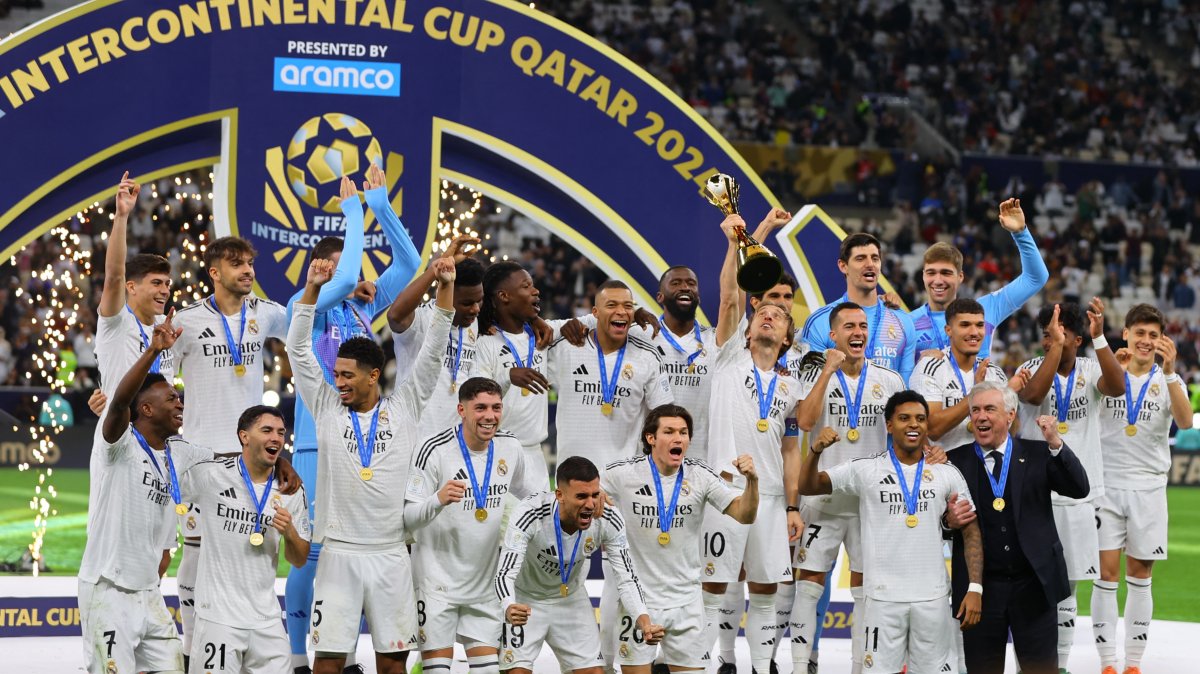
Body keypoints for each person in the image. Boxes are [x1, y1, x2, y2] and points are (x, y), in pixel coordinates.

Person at [283, 168, 422, 673]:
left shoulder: (363, 307)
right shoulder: (308, 305)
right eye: (342, 262)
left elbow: (409, 263)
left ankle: (342, 655)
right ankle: (300, 658)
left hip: (366, 442)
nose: (351, 275)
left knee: (364, 548)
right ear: (320, 267)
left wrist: (381, 204)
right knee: (313, 550)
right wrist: (353, 213)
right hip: (316, 440)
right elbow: (341, 279)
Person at [286, 254, 453, 674]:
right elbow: (297, 349)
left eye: (347, 375)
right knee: (327, 664)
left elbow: (433, 350)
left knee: (392, 666)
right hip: (338, 554)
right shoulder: (325, 406)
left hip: (391, 553)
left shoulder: (405, 408)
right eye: (336, 373)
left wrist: (444, 284)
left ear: (373, 375)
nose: (338, 381)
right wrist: (312, 289)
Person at [797, 391, 984, 674]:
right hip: (882, 600)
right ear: (889, 425)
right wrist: (815, 452)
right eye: (904, 418)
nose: (914, 425)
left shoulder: (946, 472)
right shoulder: (866, 469)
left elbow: (970, 528)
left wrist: (975, 588)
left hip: (931, 598)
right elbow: (809, 486)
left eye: (921, 419)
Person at [170, 235, 289, 664]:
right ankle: (190, 648)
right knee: (196, 548)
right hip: (201, 456)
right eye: (237, 264)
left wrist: (343, 288)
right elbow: (162, 376)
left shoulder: (264, 313)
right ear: (214, 273)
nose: (248, 271)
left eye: (250, 264)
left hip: (252, 457)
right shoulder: (186, 320)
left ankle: (242, 632)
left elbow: (304, 319)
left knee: (245, 550)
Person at [702, 212, 804, 674]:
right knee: (715, 585)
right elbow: (728, 297)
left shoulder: (790, 385)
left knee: (766, 587)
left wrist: (791, 505)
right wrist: (734, 243)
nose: (769, 315)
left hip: (770, 496)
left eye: (779, 314)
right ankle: (711, 664)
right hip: (722, 490)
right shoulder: (727, 357)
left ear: (786, 336)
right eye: (763, 310)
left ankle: (762, 667)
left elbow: (789, 446)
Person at [78, 312, 202, 674]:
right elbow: (118, 405)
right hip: (107, 588)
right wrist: (152, 351)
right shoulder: (119, 443)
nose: (180, 403)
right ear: (146, 409)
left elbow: (232, 457)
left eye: (179, 397)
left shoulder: (179, 450)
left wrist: (278, 463)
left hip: (149, 594)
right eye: (171, 398)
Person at [789, 302, 906, 674]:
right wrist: (828, 370)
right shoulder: (815, 375)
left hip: (868, 502)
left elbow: (903, 435)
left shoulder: (889, 380)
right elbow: (805, 422)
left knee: (864, 589)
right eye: (849, 327)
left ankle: (861, 667)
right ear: (834, 335)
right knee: (808, 584)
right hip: (821, 496)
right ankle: (800, 665)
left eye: (862, 326)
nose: (857, 333)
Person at [944, 382, 1090, 674]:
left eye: (989, 409)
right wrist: (949, 522)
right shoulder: (954, 462)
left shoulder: (1038, 453)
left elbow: (1079, 488)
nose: (981, 416)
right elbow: (939, 520)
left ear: (1010, 415)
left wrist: (1057, 444)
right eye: (975, 410)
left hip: (1034, 585)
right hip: (981, 589)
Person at [601, 404, 760, 673]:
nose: (679, 439)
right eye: (670, 431)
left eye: (684, 433)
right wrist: (598, 504)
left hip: (687, 603)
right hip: (639, 602)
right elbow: (582, 491)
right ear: (651, 438)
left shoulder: (701, 475)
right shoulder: (622, 474)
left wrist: (753, 482)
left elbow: (744, 515)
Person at [403, 377, 542, 674]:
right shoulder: (434, 450)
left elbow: (531, 495)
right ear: (461, 410)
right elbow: (408, 518)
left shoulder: (510, 447)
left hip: (484, 587)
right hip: (437, 585)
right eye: (480, 407)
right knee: (437, 671)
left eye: (496, 407)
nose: (489, 416)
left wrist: (570, 502)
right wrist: (437, 500)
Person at [1014, 300, 1125, 670]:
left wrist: (1100, 340)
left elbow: (1117, 387)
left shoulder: (1092, 367)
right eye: (1046, 335)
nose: (1048, 342)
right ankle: (1028, 661)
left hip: (1080, 495)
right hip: (1034, 492)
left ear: (1077, 338)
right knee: (1030, 581)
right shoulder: (1030, 369)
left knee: (1069, 585)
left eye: (1057, 335)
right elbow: (1032, 396)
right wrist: (1056, 350)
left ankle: (1058, 664)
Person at [1093, 305, 1193, 674]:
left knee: (1140, 573)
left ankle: (1133, 662)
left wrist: (1169, 374)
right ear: (1127, 334)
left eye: (1153, 335)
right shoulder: (1107, 373)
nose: (1146, 341)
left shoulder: (1172, 380)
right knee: (1105, 574)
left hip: (1149, 488)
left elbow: (1184, 421)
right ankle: (1107, 662)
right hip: (1106, 485)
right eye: (1140, 333)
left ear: (1162, 340)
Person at [494, 456, 661, 673]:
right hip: (526, 601)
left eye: (595, 494)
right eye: (581, 496)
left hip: (571, 599)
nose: (590, 504)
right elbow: (504, 573)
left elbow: (627, 576)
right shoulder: (530, 513)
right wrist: (508, 605)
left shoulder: (608, 517)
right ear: (560, 495)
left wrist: (644, 619)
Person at [179, 405, 310, 674]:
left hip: (267, 620)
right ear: (244, 436)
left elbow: (299, 559)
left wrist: (290, 533)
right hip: (218, 618)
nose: (276, 437)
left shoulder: (291, 489)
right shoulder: (212, 475)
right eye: (267, 430)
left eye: (281, 432)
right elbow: (169, 477)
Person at [543, 279, 675, 468]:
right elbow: (530, 335)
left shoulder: (648, 356)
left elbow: (664, 416)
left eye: (628, 306)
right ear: (594, 312)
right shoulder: (566, 348)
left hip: (625, 480)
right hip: (572, 478)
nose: (621, 311)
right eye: (611, 305)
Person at [909, 198, 1048, 359]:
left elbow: (1036, 278)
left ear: (960, 277)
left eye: (946, 273)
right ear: (923, 276)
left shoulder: (985, 309)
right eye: (931, 273)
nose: (938, 280)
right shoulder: (908, 323)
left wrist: (1021, 233)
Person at [471, 261, 564, 488]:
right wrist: (507, 376)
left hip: (534, 456)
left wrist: (637, 312)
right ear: (504, 296)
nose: (536, 291)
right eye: (526, 286)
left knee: (539, 523)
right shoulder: (483, 341)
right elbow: (477, 397)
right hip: (495, 451)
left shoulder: (543, 334)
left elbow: (587, 322)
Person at [799, 232, 917, 383]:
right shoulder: (819, 322)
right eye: (860, 258)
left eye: (875, 258)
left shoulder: (903, 321)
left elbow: (905, 387)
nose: (870, 264)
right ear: (843, 266)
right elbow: (811, 386)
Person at [912, 298, 1027, 452]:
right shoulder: (930, 368)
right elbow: (933, 429)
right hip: (945, 467)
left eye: (979, 325)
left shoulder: (995, 373)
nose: (974, 332)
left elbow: (1009, 434)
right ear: (948, 330)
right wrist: (977, 392)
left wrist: (1009, 396)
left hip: (987, 469)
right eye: (965, 325)